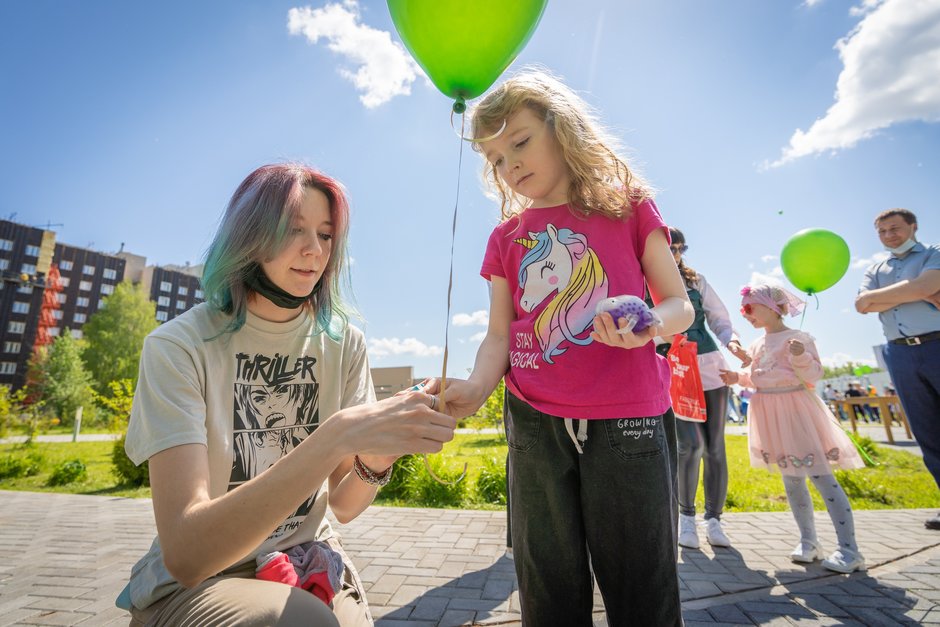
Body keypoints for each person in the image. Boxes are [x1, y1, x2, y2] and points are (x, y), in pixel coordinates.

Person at [118, 164, 456, 626]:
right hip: (199, 583)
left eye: (326, 234)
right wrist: (335, 435)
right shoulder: (177, 347)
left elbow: (343, 504)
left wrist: (378, 456)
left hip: (304, 563)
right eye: (293, 230)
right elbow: (187, 554)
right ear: (248, 237)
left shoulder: (344, 343)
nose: (313, 251)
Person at [431, 69, 694, 626]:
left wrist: (648, 320)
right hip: (532, 422)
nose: (511, 165)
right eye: (496, 159)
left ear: (563, 129)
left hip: (628, 419)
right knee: (545, 581)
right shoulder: (505, 238)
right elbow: (500, 334)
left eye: (520, 142)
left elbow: (680, 306)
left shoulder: (630, 208)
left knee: (641, 584)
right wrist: (476, 387)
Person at [720, 284, 866, 573]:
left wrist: (800, 356)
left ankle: (850, 549)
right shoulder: (756, 345)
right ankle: (809, 541)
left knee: (822, 477)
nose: (745, 314)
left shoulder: (798, 339)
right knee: (792, 480)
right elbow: (758, 376)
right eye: (743, 309)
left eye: (750, 307)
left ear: (773, 307)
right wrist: (737, 376)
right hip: (771, 416)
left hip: (797, 414)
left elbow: (813, 375)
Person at [661, 227, 750, 550]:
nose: (673, 254)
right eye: (666, 247)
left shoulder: (696, 281)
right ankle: (686, 519)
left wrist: (735, 344)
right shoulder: (643, 279)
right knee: (690, 444)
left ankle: (714, 520)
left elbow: (719, 319)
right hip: (673, 368)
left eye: (678, 248)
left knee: (715, 447)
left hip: (710, 365)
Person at [856, 207, 940, 530]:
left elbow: (928, 283)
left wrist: (888, 297)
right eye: (883, 231)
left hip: (936, 344)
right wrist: (916, 291)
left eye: (895, 228)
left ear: (913, 227)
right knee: (928, 432)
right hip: (901, 353)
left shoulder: (933, 254)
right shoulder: (876, 268)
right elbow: (861, 304)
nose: (889, 236)